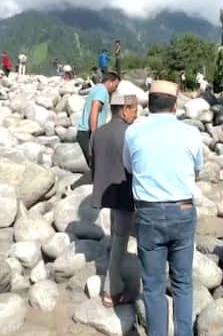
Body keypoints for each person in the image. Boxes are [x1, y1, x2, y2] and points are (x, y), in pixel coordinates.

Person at [123, 80, 203, 336]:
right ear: (175, 105)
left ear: (149, 104)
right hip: (182, 211)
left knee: (153, 286)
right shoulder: (191, 133)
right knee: (183, 283)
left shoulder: (133, 132)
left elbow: (130, 167)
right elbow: (196, 170)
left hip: (149, 214)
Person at [89, 94, 139, 308]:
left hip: (106, 194)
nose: (136, 114)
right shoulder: (131, 133)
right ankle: (112, 289)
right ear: (125, 109)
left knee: (117, 237)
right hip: (126, 195)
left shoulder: (97, 133)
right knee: (121, 242)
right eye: (135, 109)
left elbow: (93, 161)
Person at [77, 72, 121, 167]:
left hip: (85, 133)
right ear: (110, 82)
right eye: (116, 86)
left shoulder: (97, 88)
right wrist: (94, 134)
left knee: (97, 163)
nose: (115, 89)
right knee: (97, 164)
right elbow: (94, 109)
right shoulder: (102, 91)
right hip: (88, 133)